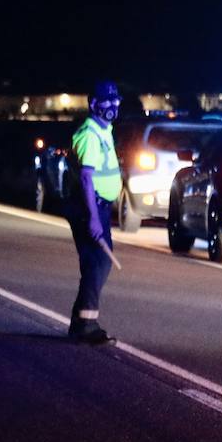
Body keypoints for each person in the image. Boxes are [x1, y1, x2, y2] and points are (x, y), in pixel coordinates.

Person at [66, 81, 123, 345]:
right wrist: (91, 217)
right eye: (107, 101)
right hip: (89, 207)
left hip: (99, 207)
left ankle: (81, 322)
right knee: (97, 263)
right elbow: (87, 179)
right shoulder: (90, 134)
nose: (113, 105)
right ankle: (86, 324)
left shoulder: (104, 130)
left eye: (116, 100)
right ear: (93, 104)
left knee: (99, 263)